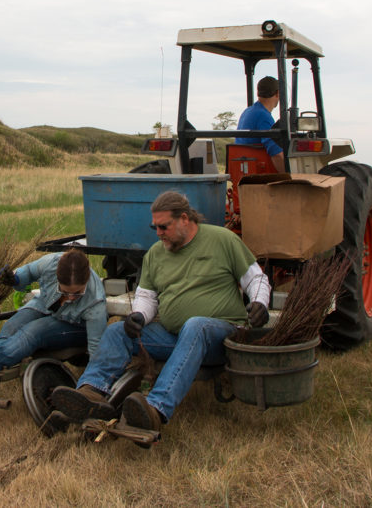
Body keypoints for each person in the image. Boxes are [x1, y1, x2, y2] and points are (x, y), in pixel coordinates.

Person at [49, 191, 271, 446]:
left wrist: (259, 303)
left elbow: (256, 278)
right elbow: (147, 296)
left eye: (163, 227)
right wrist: (139, 317)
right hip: (174, 336)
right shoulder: (156, 253)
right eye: (155, 227)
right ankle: (91, 394)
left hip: (219, 336)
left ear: (184, 219)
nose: (158, 233)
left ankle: (154, 409)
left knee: (195, 325)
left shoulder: (223, 240)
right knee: (117, 331)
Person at [0, 249, 107, 396]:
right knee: (11, 327)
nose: (70, 297)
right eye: (64, 291)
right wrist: (14, 279)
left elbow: (95, 349)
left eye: (77, 293)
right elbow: (27, 273)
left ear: (86, 281)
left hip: (75, 327)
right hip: (43, 305)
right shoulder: (50, 263)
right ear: (57, 277)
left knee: (32, 333)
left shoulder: (95, 303)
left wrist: (91, 387)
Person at [236, 75, 286, 172]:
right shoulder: (264, 117)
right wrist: (292, 179)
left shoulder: (248, 111)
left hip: (242, 170)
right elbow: (277, 155)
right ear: (278, 93)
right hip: (259, 173)